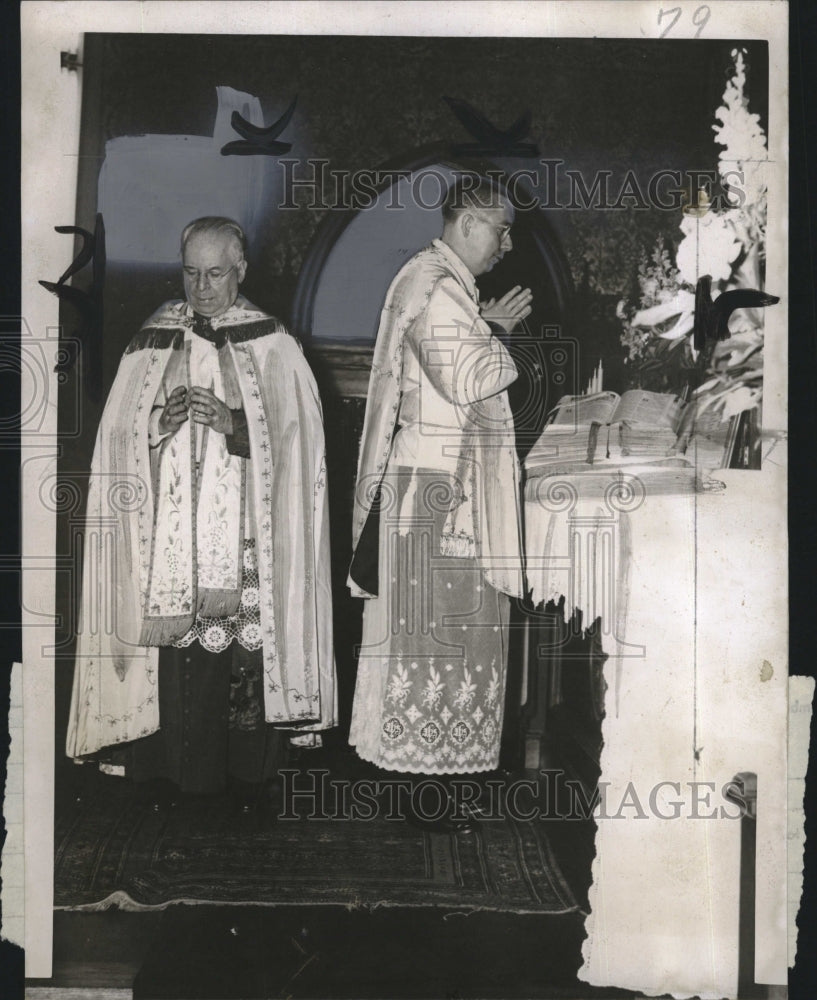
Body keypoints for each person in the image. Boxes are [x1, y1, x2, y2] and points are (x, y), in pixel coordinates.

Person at [66, 216, 336, 806]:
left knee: (239, 653)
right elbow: (117, 435)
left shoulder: (272, 342)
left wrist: (235, 424)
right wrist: (156, 424)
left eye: (215, 273)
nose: (202, 287)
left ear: (241, 270)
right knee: (176, 658)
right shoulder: (155, 336)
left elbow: (300, 442)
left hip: (243, 534)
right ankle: (168, 769)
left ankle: (242, 776)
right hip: (167, 536)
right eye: (191, 272)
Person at [347, 176, 531, 831]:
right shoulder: (433, 284)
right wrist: (496, 333)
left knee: (446, 641)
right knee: (434, 644)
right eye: (501, 228)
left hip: (439, 483)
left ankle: (433, 782)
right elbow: (469, 377)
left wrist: (486, 324)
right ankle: (424, 794)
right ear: (468, 221)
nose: (507, 244)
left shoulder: (444, 284)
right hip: (435, 491)